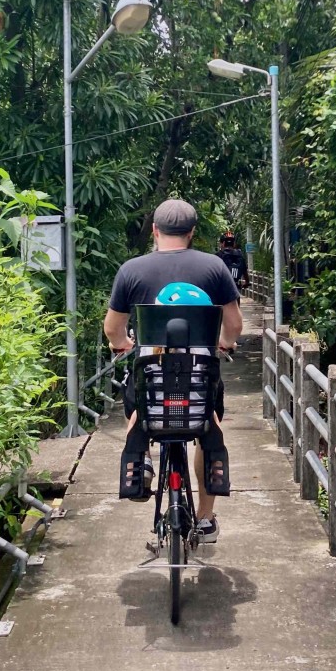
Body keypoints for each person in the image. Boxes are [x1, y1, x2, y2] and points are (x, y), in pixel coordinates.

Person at [105, 199, 243, 543]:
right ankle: (206, 518)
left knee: (138, 405)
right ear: (192, 232)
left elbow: (112, 328)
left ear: (154, 229)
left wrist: (122, 343)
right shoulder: (214, 267)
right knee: (207, 422)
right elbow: (234, 324)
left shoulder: (131, 270)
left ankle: (144, 461)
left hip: (152, 373)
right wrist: (224, 343)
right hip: (200, 373)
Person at [215, 231, 249, 295]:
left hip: (220, 288)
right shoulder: (239, 255)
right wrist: (247, 282)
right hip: (235, 287)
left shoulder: (217, 255)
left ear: (223, 243)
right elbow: (245, 271)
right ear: (234, 244)